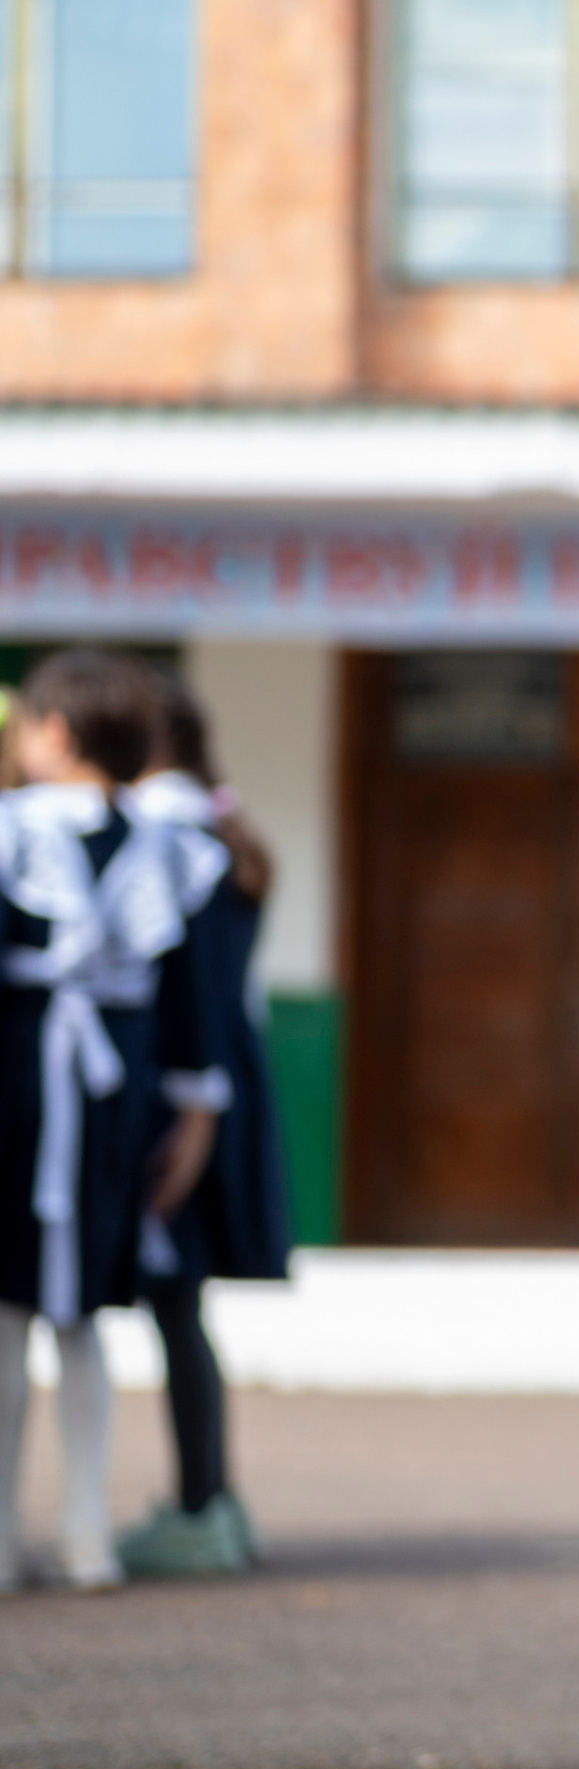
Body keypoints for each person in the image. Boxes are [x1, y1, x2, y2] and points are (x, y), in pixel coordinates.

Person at [0, 650, 230, 1594]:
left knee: (25, 1312)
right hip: (110, 1099)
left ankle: (40, 1533)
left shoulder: (23, 832)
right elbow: (200, 1008)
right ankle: (82, 1532)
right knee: (75, 1318)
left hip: (31, 1087)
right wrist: (195, 1118)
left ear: (54, 733)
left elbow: (190, 996)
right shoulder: (168, 846)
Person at [113, 677, 293, 1581]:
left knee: (175, 1297)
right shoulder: (220, 831)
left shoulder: (162, 839)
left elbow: (188, 999)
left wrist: (186, 1122)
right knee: (181, 1304)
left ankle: (200, 1505)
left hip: (184, 1094)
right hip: (222, 1087)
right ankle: (210, 1497)